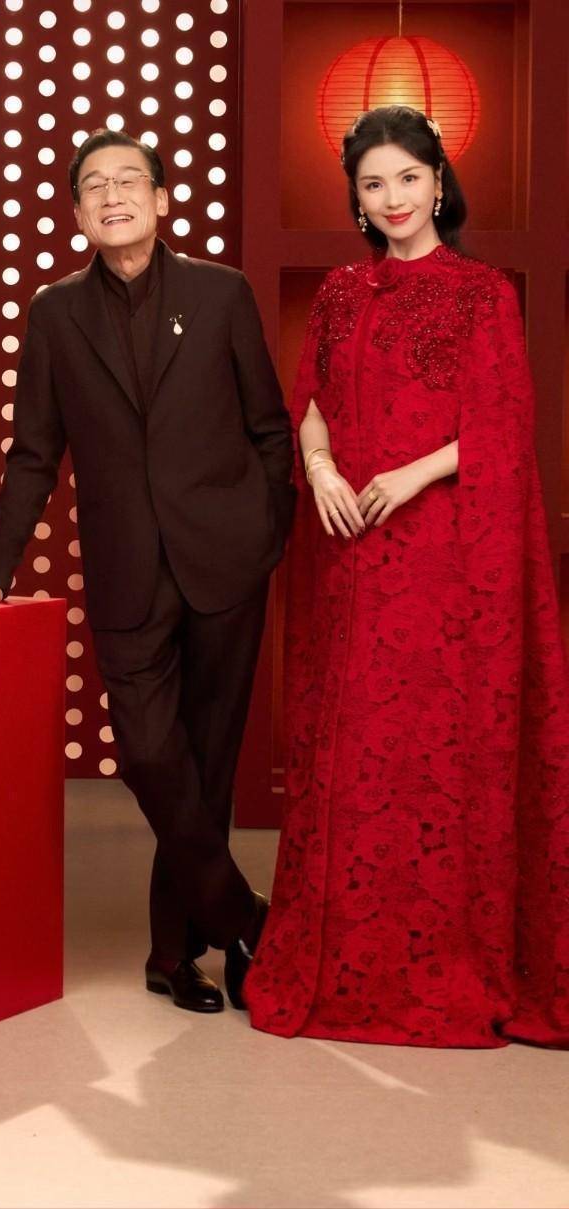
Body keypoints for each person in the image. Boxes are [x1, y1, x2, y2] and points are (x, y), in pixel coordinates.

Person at [0, 128, 295, 1012]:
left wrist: (264, 534)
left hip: (227, 561)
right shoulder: (56, 313)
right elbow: (33, 454)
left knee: (206, 764)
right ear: (79, 212)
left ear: (161, 200)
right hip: (127, 567)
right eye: (95, 185)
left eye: (131, 180)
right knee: (153, 754)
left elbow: (269, 427)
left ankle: (174, 954)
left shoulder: (222, 293)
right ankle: (243, 916)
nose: (113, 195)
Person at [244, 105, 569, 1047]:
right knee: (351, 749)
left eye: (408, 179)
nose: (393, 199)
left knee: (434, 747)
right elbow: (308, 401)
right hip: (349, 548)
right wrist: (319, 468)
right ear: (356, 198)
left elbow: (504, 426)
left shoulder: (484, 294)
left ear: (439, 183)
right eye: (373, 184)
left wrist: (411, 472)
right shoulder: (342, 292)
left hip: (442, 554)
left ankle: (440, 953)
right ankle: (346, 950)